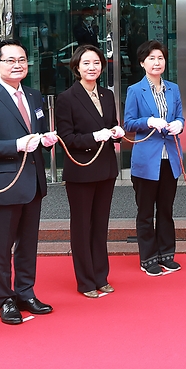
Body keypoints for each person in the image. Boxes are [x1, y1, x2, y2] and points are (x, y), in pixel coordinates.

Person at [0, 39, 59, 324]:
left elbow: (38, 133)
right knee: (2, 245)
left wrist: (46, 140)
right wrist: (16, 145)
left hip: (33, 182)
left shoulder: (33, 96)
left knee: (28, 243)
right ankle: (5, 298)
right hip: (4, 184)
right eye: (10, 60)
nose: (17, 65)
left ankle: (26, 291)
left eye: (22, 59)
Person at [54, 45, 126, 297]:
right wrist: (95, 136)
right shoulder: (66, 98)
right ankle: (85, 281)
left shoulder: (107, 95)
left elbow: (112, 125)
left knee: (100, 226)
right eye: (86, 63)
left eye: (96, 63)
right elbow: (67, 138)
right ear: (76, 67)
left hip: (105, 169)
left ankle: (100, 276)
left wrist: (117, 132)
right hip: (81, 172)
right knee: (82, 226)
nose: (92, 67)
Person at [124, 40, 185, 276]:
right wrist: (148, 121)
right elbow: (128, 123)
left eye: (160, 58)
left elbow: (180, 115)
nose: (156, 62)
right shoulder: (135, 91)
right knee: (146, 211)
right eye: (151, 58)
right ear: (142, 63)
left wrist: (179, 124)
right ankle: (148, 258)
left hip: (169, 157)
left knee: (166, 210)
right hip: (146, 160)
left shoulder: (173, 88)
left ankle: (167, 255)